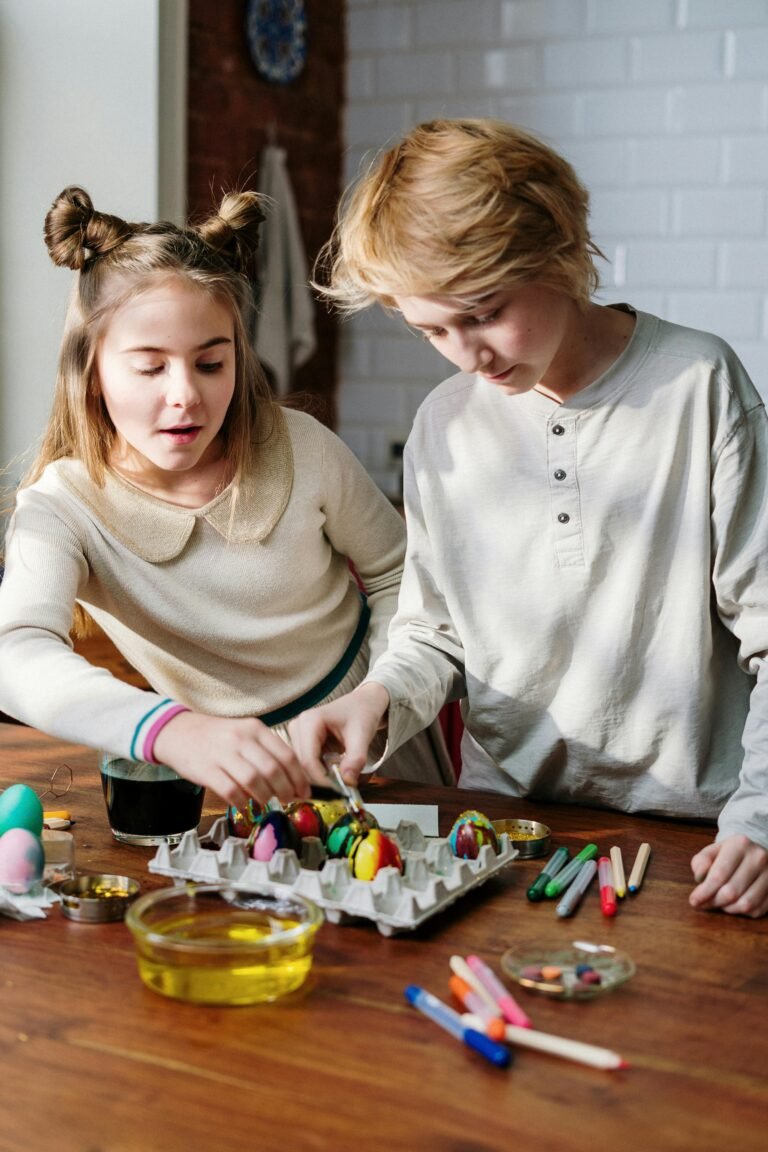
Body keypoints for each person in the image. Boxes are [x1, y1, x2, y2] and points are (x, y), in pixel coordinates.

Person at [291, 117, 768, 918]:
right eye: (430, 329)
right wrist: (377, 698)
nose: (465, 353)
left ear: (557, 250)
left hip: (700, 841)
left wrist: (761, 817)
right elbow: (436, 631)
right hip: (503, 836)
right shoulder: (446, 425)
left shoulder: (699, 384)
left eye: (482, 312)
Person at [0, 185, 447, 809]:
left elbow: (403, 574)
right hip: (229, 771)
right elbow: (14, 649)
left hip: (377, 745)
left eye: (211, 363)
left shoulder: (300, 446)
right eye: (150, 367)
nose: (185, 394)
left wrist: (380, 697)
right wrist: (171, 731)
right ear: (91, 370)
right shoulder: (61, 506)